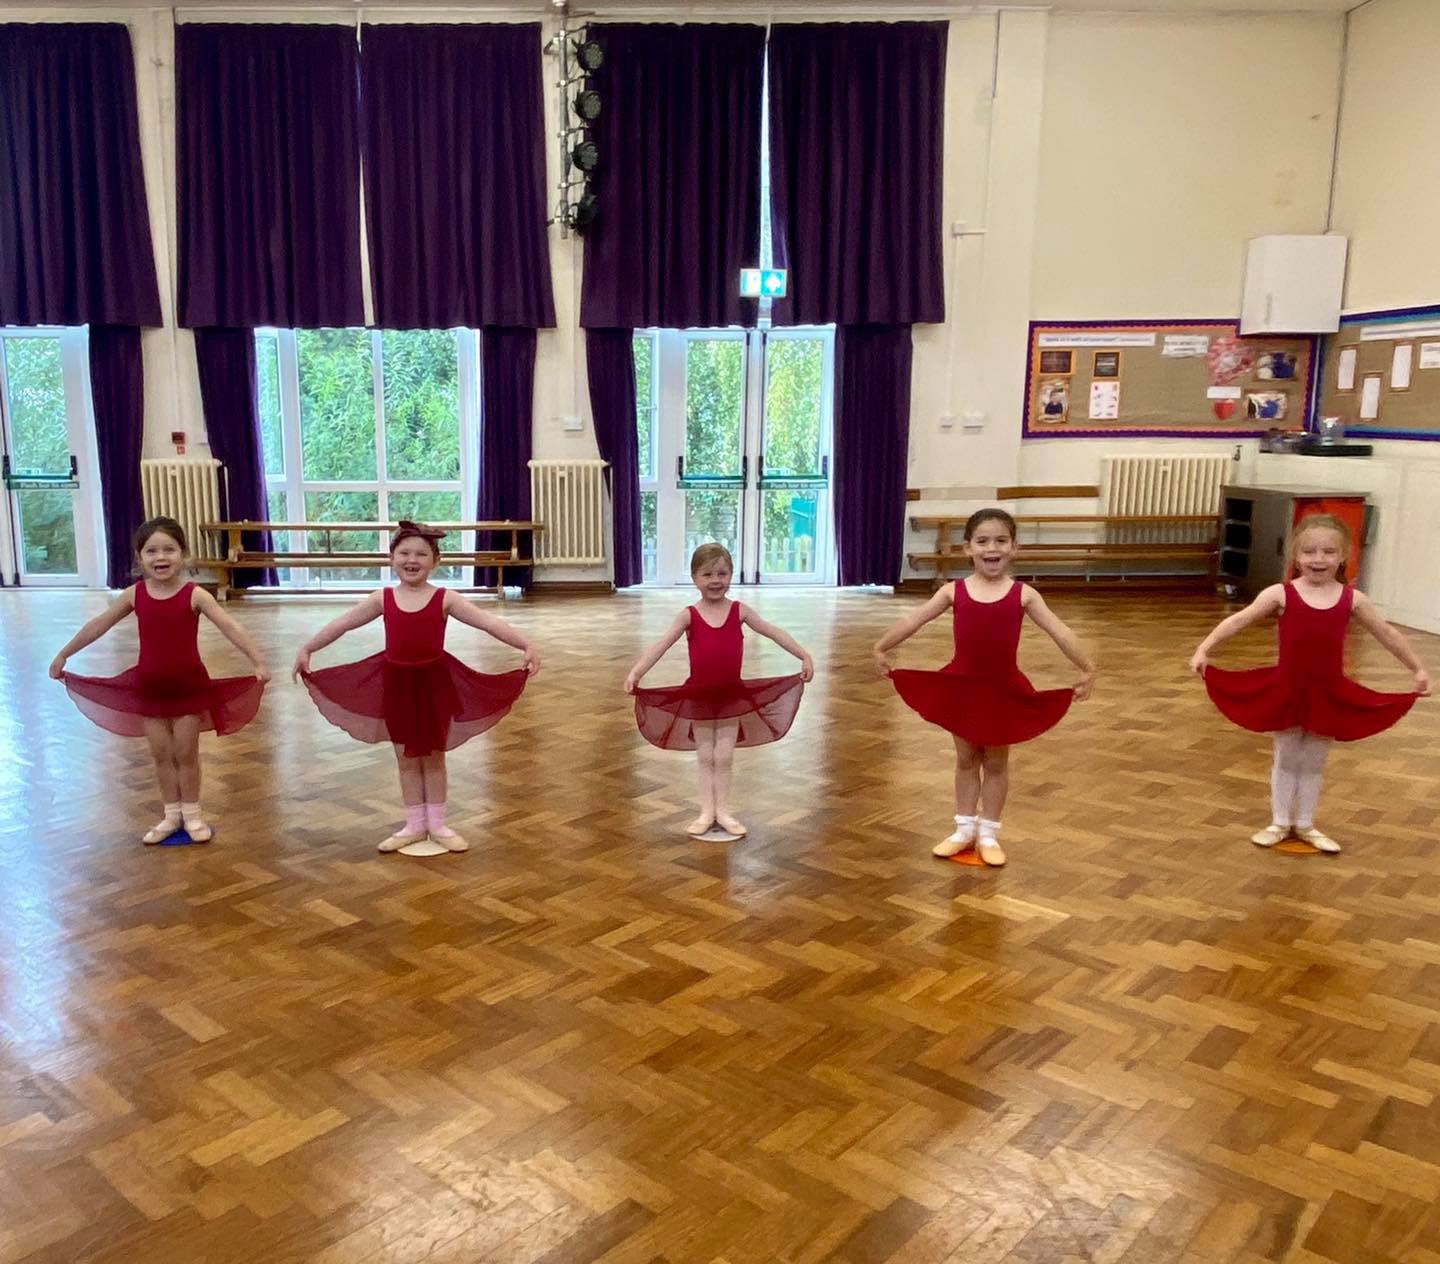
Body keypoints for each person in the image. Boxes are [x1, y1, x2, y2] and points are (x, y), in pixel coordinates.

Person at [292, 521, 539, 853]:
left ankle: (437, 825)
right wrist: (308, 648)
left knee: (434, 758)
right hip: (397, 686)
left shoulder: (445, 598)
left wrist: (525, 644)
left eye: (421, 554)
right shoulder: (382, 598)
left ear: (435, 561)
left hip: (435, 686)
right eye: (404, 553)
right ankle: (414, 824)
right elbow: (343, 623)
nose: (412, 560)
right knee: (406, 759)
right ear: (391, 558)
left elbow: (488, 623)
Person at [1190, 512, 1428, 853]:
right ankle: (1279, 822)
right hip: (1287, 689)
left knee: (1314, 761)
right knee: (1286, 756)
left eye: (1329, 552)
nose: (1319, 559)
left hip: (1328, 693)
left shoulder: (1352, 599)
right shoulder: (1281, 594)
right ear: (1295, 556)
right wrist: (1205, 648)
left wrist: (1417, 669)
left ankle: (1305, 824)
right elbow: (1239, 620)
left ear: (1343, 556)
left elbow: (1387, 634)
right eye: (1310, 551)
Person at [874, 508, 1094, 867]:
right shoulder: (953, 591)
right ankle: (963, 829)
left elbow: (1060, 631)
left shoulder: (1023, 594)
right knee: (965, 760)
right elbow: (914, 619)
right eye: (983, 541)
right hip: (962, 688)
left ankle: (989, 832)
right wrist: (882, 646)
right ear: (968, 548)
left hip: (1002, 691)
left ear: (1014, 548)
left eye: (1001, 540)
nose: (992, 548)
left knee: (995, 762)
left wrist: (1087, 667)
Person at [50, 516, 269, 843]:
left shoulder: (196, 595)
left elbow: (230, 627)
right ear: (139, 558)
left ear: (183, 554)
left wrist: (258, 660)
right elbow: (99, 624)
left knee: (186, 753)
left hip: (188, 688)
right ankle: (171, 815)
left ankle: (192, 815)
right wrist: (64, 653)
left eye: (169, 549)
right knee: (162, 755)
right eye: (151, 551)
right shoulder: (134, 594)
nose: (160, 557)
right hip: (150, 689)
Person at [624, 542, 813, 838]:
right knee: (705, 755)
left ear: (731, 575)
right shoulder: (689, 615)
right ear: (694, 578)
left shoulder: (739, 611)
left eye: (722, 574)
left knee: (724, 756)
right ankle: (706, 811)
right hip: (699, 697)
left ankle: (723, 811)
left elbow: (773, 631)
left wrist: (803, 654)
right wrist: (636, 672)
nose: (715, 580)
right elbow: (661, 645)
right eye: (708, 574)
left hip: (731, 697)